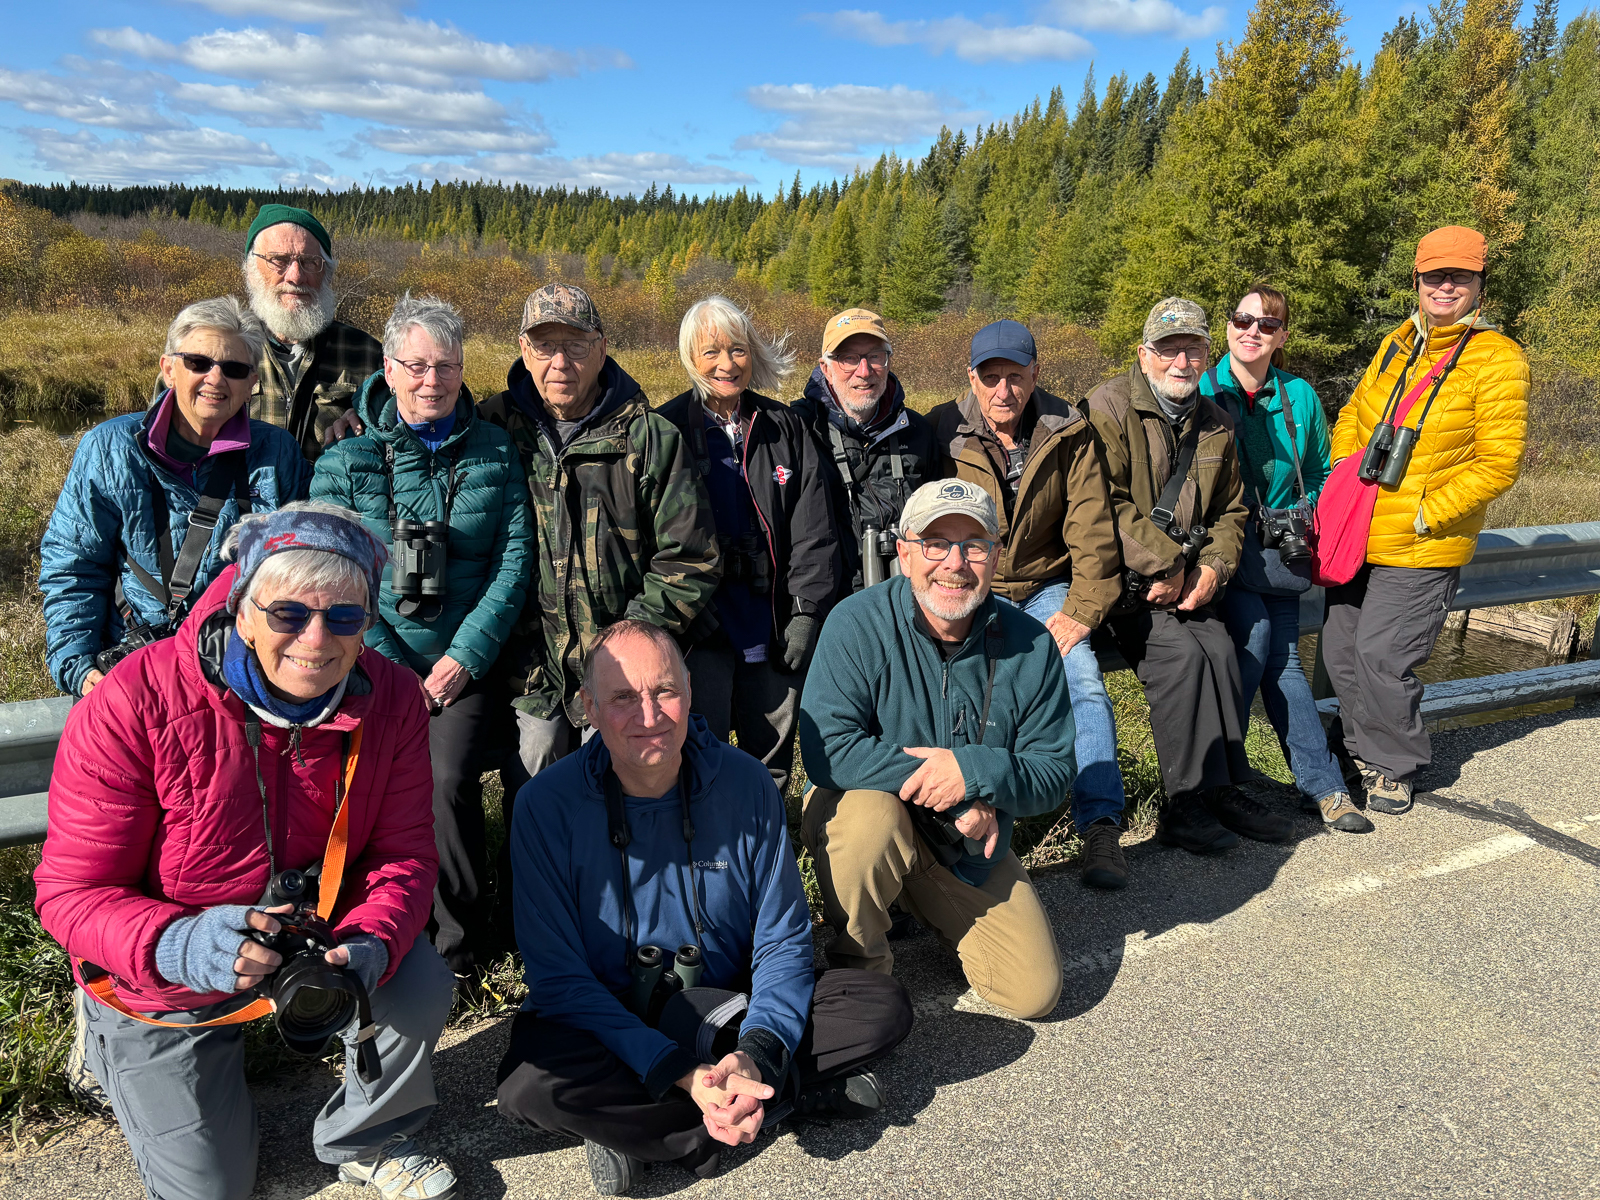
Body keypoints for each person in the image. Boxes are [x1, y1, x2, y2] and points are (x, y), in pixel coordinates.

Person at [34, 502, 457, 1200]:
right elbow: (69, 893)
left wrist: (371, 940)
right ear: (244, 606)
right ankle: (106, 1030)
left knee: (419, 980)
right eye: (289, 614)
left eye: (345, 619)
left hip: (319, 939)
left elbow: (403, 854)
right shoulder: (133, 701)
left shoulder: (393, 700)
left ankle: (365, 1136)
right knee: (211, 1190)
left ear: (366, 627)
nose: (317, 641)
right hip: (170, 965)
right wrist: (178, 944)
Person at [496, 620, 912, 1196]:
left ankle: (650, 1123)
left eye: (664, 690)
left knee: (880, 1003)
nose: (648, 715)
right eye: (621, 697)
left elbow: (783, 940)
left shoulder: (746, 784)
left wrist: (755, 1050)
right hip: (607, 1020)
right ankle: (766, 1106)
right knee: (527, 1087)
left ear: (690, 691)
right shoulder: (543, 805)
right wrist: (678, 1069)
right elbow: (559, 979)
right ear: (587, 707)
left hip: (725, 1009)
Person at [311, 293, 533, 981]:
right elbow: (330, 569)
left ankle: (459, 951)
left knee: (446, 779)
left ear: (464, 371)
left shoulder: (497, 453)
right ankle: (358, 939)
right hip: (372, 664)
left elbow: (513, 561)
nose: (431, 381)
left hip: (462, 668)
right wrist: (387, 665)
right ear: (388, 366)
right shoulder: (348, 460)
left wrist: (463, 659)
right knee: (360, 786)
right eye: (416, 365)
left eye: (446, 366)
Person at [798, 479, 1076, 1020]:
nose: (954, 562)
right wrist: (955, 794)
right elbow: (827, 749)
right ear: (904, 552)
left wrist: (971, 770)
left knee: (1033, 994)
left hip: (961, 847)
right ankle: (861, 973)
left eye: (973, 545)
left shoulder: (1032, 644)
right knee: (869, 823)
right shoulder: (855, 622)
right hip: (870, 816)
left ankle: (918, 898)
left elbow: (1055, 771)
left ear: (996, 556)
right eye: (935, 543)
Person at [1324, 226, 1529, 815]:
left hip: (1422, 542)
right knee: (1341, 650)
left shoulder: (1497, 358)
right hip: (1359, 528)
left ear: (1478, 285)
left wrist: (1425, 514)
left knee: (1384, 656)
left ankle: (1397, 763)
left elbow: (1498, 463)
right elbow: (1354, 414)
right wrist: (1343, 468)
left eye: (1458, 277)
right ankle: (1359, 749)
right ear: (1415, 281)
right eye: (1434, 275)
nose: (1445, 286)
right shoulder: (1397, 342)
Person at [479, 282, 720, 777]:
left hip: (622, 664)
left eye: (576, 345)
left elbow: (690, 559)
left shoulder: (651, 438)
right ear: (524, 352)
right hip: (529, 667)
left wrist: (624, 646)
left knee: (617, 781)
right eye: (545, 346)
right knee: (536, 772)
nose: (560, 362)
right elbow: (421, 407)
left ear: (602, 348)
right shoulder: (491, 430)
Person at [1084, 298, 1293, 853]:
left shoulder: (1216, 423)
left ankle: (1221, 789)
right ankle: (1183, 804)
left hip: (1187, 580)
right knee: (1179, 656)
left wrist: (1212, 570)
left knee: (1222, 651)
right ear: (1144, 354)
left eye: (1193, 348)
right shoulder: (1107, 409)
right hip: (1127, 587)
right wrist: (1170, 565)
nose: (1181, 360)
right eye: (1168, 348)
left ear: (1207, 353)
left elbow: (1232, 511)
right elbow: (1107, 504)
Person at [930, 320, 1131, 889]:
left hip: (1047, 588)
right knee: (962, 684)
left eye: (1014, 377)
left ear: (1035, 374)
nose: (1002, 391)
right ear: (971, 378)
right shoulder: (943, 431)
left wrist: (1082, 610)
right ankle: (962, 830)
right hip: (973, 582)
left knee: (1082, 678)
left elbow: (1092, 531)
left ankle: (1100, 827)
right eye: (989, 377)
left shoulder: (1068, 431)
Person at [42, 295, 310, 700]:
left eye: (234, 369)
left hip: (242, 678)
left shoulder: (277, 454)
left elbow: (304, 572)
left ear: (252, 382)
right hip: (141, 675)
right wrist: (78, 666)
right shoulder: (110, 449)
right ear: (169, 369)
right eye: (199, 363)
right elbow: (75, 568)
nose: (216, 380)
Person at [1199, 285, 1370, 834]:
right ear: (1228, 327)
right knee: (1260, 652)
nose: (1253, 330)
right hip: (1224, 546)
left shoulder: (1299, 396)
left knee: (1281, 661)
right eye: (1242, 319)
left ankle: (1300, 786)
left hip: (1281, 549)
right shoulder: (1202, 388)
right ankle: (1275, 785)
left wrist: (1302, 514)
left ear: (1282, 336)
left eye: (1267, 324)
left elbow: (1322, 470)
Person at [659, 296, 839, 795]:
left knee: (771, 753)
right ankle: (707, 851)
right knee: (699, 745)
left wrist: (806, 611)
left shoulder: (785, 427)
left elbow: (814, 529)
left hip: (773, 617)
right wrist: (685, 609)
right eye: (710, 351)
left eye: (737, 350)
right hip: (701, 624)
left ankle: (769, 845)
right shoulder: (665, 429)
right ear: (688, 356)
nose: (726, 364)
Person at [184, 203, 383, 460]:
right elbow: (162, 440)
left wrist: (370, 424)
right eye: (278, 260)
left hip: (327, 499)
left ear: (326, 273)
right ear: (251, 270)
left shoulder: (367, 353)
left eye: (310, 262)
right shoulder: (210, 350)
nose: (296, 276)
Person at [792, 308, 940, 597]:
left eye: (875, 356)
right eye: (849, 359)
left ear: (888, 362)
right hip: (829, 600)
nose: (864, 371)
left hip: (908, 598)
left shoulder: (918, 431)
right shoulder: (800, 431)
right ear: (825, 367)